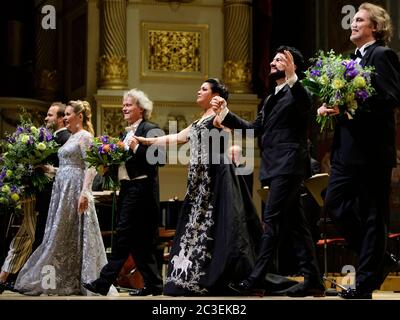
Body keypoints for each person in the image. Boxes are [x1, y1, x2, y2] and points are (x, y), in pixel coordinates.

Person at [212, 46, 325, 297]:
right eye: (272, 58)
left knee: (272, 221)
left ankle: (255, 279)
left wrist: (294, 76)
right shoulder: (271, 96)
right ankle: (314, 280)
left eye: (280, 59)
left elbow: (305, 105)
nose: (273, 62)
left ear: (292, 65)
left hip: (290, 164)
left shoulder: (300, 91)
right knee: (296, 225)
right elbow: (254, 129)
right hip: (275, 166)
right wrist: (225, 113)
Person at [134, 79, 263, 296]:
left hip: (215, 178)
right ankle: (192, 276)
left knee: (216, 225)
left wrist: (224, 114)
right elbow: (176, 137)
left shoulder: (218, 115)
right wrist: (146, 142)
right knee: (195, 227)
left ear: (214, 95)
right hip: (199, 181)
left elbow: (230, 129)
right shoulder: (199, 121)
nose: (198, 91)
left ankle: (216, 276)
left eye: (203, 89)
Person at [317, 2, 400, 299]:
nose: (352, 23)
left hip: (371, 151)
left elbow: (390, 97)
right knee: (334, 201)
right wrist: (330, 107)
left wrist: (350, 107)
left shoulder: (382, 55)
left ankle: (365, 284)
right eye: (353, 20)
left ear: (375, 27)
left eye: (360, 20)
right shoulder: (350, 59)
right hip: (345, 151)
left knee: (372, 216)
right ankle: (377, 255)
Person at [14, 100, 117, 296]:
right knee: (60, 233)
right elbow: (67, 167)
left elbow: (91, 166)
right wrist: (49, 170)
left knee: (70, 232)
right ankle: (60, 278)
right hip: (62, 189)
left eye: (69, 114)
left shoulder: (85, 136)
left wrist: (85, 192)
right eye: (65, 115)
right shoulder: (71, 137)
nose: (66, 118)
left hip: (75, 190)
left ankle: (81, 279)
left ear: (79, 116)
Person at [83, 89, 165, 296]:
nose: (124, 108)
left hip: (142, 190)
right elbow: (123, 164)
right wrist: (107, 165)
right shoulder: (125, 133)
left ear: (141, 109)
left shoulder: (151, 129)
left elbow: (159, 160)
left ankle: (103, 281)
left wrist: (137, 148)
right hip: (128, 190)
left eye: (128, 105)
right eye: (123, 105)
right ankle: (154, 285)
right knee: (140, 242)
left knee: (123, 236)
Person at [0, 102, 70, 292]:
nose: (46, 118)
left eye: (50, 115)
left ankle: (30, 281)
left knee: (38, 239)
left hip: (49, 198)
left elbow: (65, 170)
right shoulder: (50, 138)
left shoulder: (64, 139)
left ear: (61, 118)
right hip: (39, 196)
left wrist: (45, 170)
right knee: (33, 237)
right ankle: (18, 278)